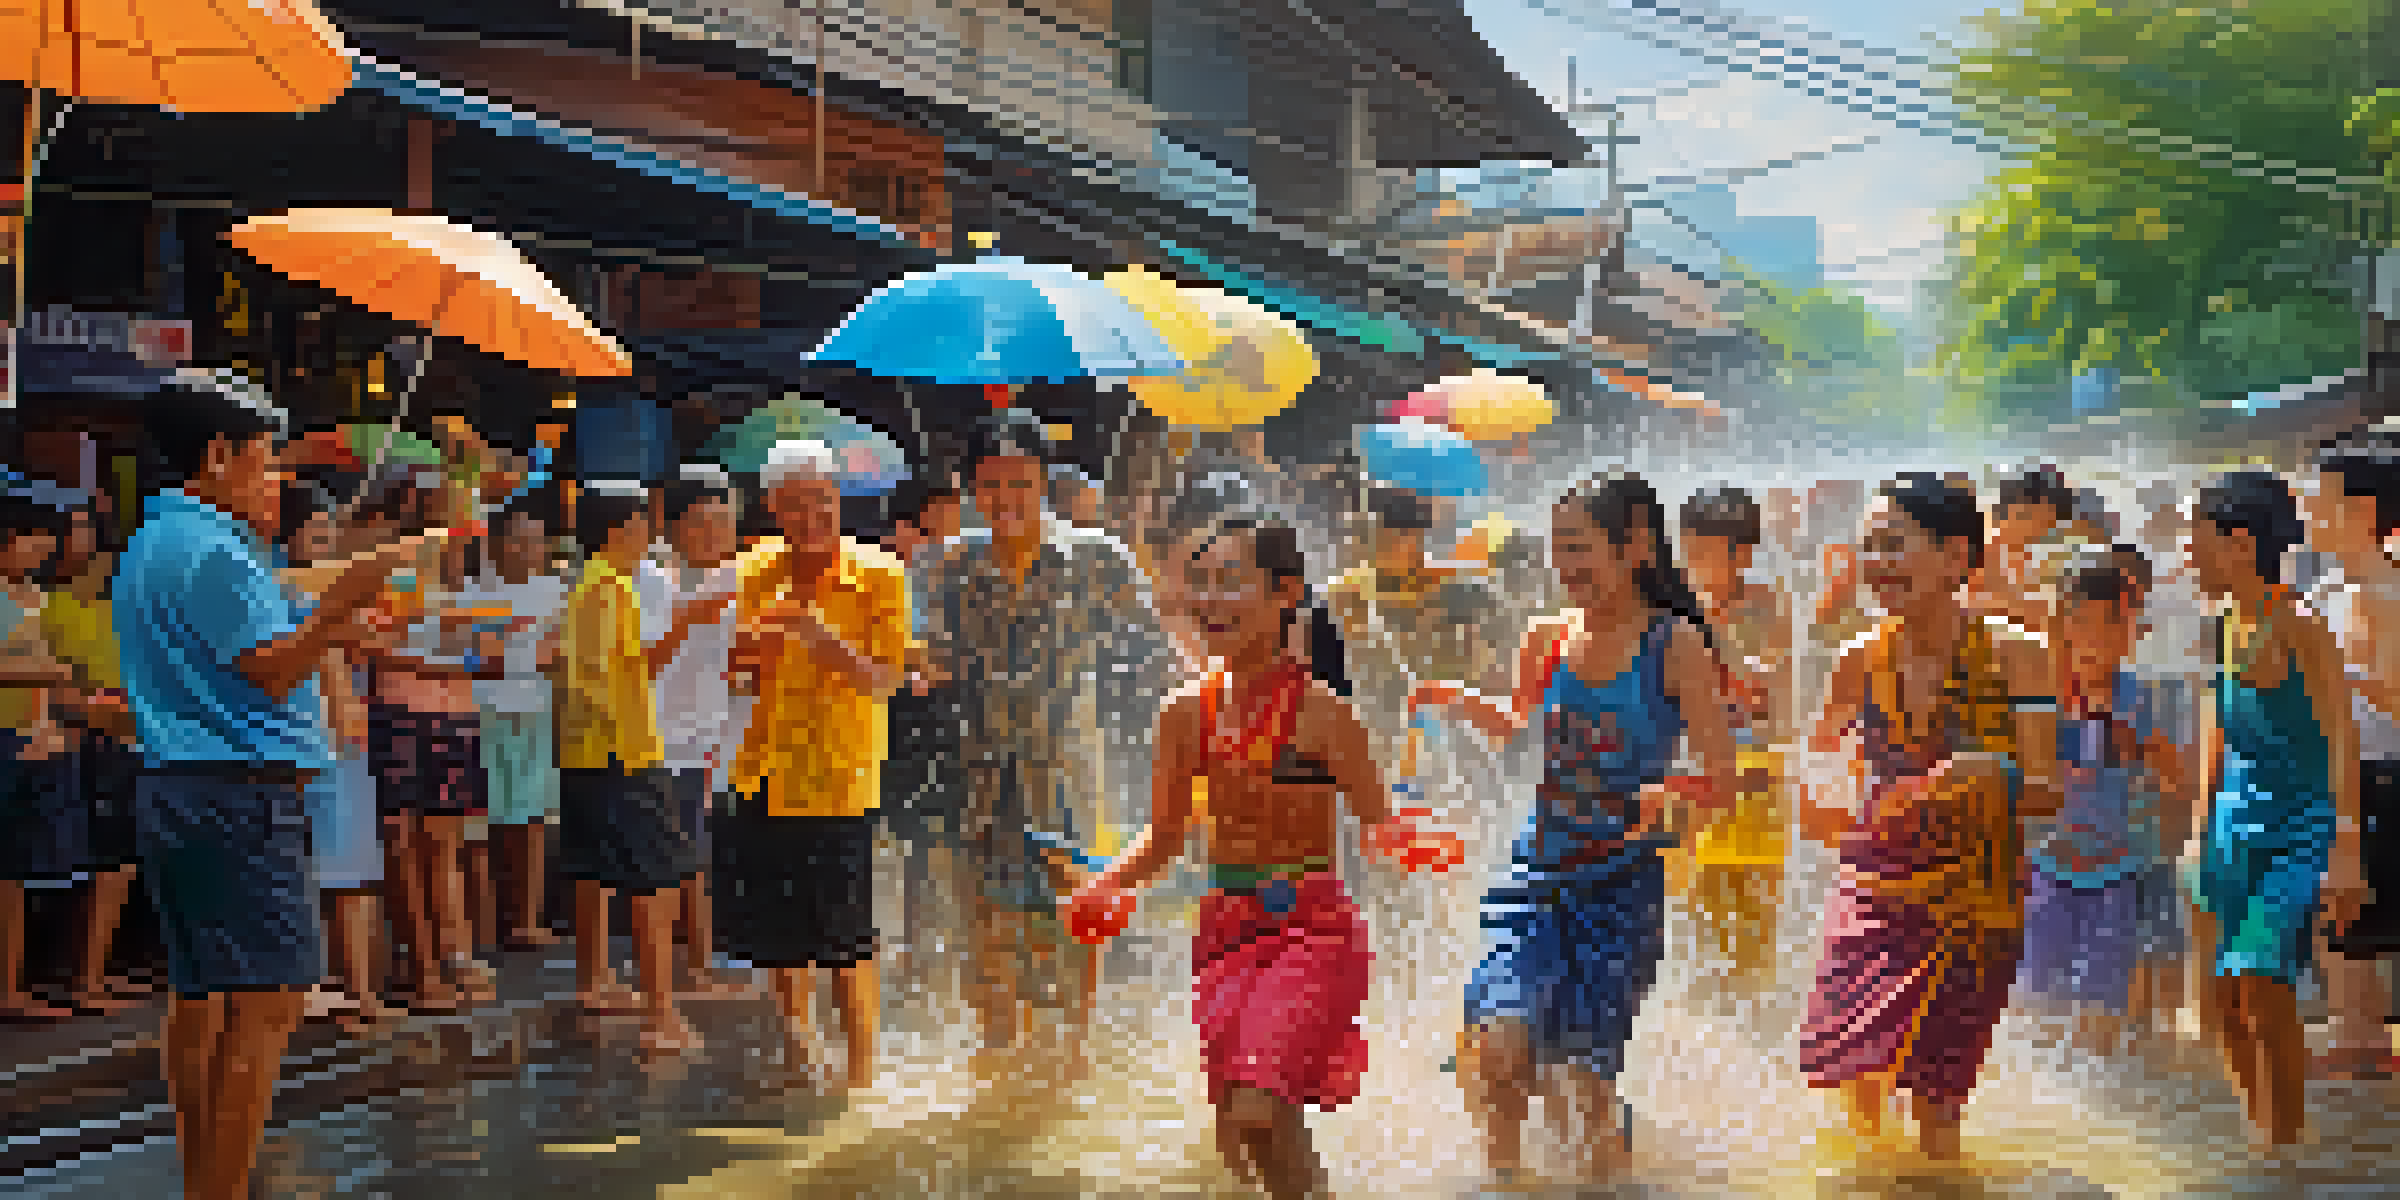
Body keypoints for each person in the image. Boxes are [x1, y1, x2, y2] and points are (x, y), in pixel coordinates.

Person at [1066, 515, 1454, 1200]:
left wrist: (1414, 840)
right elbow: (1163, 836)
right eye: (1201, 585)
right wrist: (1105, 885)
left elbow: (1377, 824)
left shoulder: (1327, 717)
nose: (1211, 601)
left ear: (1284, 593)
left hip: (1313, 930)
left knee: (1258, 1105)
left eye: (1231, 583)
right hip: (1225, 930)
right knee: (1242, 1131)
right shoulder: (1185, 714)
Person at [116, 371, 411, 1200]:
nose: (275, 479)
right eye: (264, 461)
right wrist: (338, 605)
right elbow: (271, 670)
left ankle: (206, 1180)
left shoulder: (156, 542)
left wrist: (329, 614)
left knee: (206, 994)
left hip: (186, 785)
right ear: (216, 457)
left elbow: (244, 658)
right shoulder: (210, 550)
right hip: (235, 793)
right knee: (267, 1001)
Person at [1411, 473, 1737, 1183]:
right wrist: (1455, 698)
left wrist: (1670, 790)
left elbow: (1722, 783)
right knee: (1500, 1050)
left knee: (1584, 1090)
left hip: (1621, 891)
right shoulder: (1548, 637)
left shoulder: (1674, 644)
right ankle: (1502, 1185)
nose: (1566, 566)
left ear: (1636, 547)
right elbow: (1513, 723)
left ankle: (1613, 1178)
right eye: (1559, 548)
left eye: (1581, 547)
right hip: (1539, 874)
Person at [1797, 472, 2059, 1162]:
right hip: (1874, 892)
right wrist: (1816, 798)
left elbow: (2048, 791)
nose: (1878, 565)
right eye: (1870, 548)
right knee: (1856, 1072)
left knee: (1938, 1101)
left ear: (1955, 557)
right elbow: (1821, 765)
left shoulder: (2019, 658)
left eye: (1895, 546)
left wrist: (1990, 772)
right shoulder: (1858, 662)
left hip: (1977, 900)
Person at [923, 410, 1166, 1075]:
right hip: (978, 773)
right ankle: (1002, 1048)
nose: (1006, 500)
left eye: (1020, 484)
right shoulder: (948, 564)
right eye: (992, 485)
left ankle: (1073, 1048)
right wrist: (920, 668)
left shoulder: (1095, 557)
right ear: (972, 487)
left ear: (1043, 484)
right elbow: (927, 652)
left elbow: (1155, 641)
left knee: (1073, 911)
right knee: (985, 916)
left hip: (1066, 768)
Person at [2188, 470, 2368, 1148]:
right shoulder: (2224, 625)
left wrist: (2345, 850)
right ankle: (2259, 1136)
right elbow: (2216, 728)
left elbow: (2341, 738)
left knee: (2260, 979)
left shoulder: (2302, 624)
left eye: (2197, 540)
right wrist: (2198, 835)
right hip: (2230, 829)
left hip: (2299, 828)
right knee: (2221, 1006)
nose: (2190, 556)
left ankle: (2287, 1149)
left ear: (2237, 543)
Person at [720, 440, 908, 1090]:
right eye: (796, 505)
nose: (812, 517)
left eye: (822, 502)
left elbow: (885, 680)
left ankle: (861, 1075)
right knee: (779, 938)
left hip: (840, 780)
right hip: (764, 773)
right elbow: (736, 669)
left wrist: (825, 645)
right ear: (772, 507)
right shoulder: (751, 571)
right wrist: (744, 660)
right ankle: (801, 1054)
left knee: (848, 939)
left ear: (839, 499)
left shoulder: (879, 573)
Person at [2018, 550, 2186, 1059]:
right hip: (2043, 870)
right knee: (2034, 1014)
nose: (2083, 639)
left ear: (2126, 628)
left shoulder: (2149, 698)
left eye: (2098, 624)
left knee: (2100, 1016)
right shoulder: (2036, 696)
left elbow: (2181, 784)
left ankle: (2111, 1096)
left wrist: (2144, 747)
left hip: (2118, 874)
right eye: (2071, 622)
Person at [555, 479, 702, 1054]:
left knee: (619, 876)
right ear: (622, 528)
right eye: (644, 523)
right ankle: (661, 1015)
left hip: (598, 751)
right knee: (656, 883)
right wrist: (627, 747)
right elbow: (593, 677)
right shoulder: (607, 584)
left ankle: (622, 994)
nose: (650, 533)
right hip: (620, 752)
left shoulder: (593, 582)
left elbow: (606, 667)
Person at [354, 477, 492, 1013]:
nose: (461, 527)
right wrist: (449, 661)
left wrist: (475, 655)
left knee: (442, 846)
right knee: (405, 843)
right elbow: (372, 648)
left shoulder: (460, 579)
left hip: (454, 711)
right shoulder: (385, 565)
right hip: (401, 709)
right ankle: (420, 964)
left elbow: (480, 649)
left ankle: (450, 957)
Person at [278, 477, 390, 1029]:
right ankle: (316, 987)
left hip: (342, 737)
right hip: (308, 736)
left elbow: (362, 642)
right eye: (315, 534)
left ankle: (362, 991)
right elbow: (324, 650)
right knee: (314, 868)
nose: (323, 545)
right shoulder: (283, 587)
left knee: (353, 867)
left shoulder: (328, 585)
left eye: (328, 534)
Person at [2305, 432, 2400, 1079]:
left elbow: (2394, 695)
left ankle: (2360, 1037)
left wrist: (2335, 675)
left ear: (2362, 513)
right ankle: (2356, 1035)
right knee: (2338, 917)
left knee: (2352, 910)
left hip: (2375, 775)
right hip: (2342, 772)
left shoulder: (2379, 595)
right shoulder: (2331, 590)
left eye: (2320, 500)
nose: (2308, 511)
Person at [636, 463, 751, 999]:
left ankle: (701, 964)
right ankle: (673, 983)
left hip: (711, 735)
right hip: (661, 737)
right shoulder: (654, 579)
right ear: (674, 525)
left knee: (697, 856)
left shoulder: (734, 577)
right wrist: (687, 618)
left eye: (725, 522)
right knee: (669, 860)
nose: (717, 534)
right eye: (704, 523)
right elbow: (639, 664)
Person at [1677, 485, 1793, 998]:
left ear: (1743, 554)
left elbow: (1775, 687)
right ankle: (1705, 1005)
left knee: (1752, 892)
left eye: (1708, 552)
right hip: (1687, 767)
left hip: (1753, 769)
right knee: (1691, 895)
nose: (1696, 564)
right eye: (1689, 550)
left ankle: (1756, 1000)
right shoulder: (1670, 605)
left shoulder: (1765, 604)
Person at [455, 487, 568, 952]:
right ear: (495, 544)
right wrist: (525, 653)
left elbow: (559, 653)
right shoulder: (473, 591)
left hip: (537, 711)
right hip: (485, 710)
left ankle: (526, 919)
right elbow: (477, 657)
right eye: (519, 540)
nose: (529, 550)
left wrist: (513, 652)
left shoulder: (555, 590)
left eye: (536, 541)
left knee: (534, 819)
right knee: (488, 821)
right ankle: (488, 923)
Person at [47, 495, 143, 1015]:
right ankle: (78, 976)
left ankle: (96, 972)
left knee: (120, 864)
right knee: (85, 864)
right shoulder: (43, 605)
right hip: (77, 741)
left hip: (123, 740)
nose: (75, 542)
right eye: (68, 531)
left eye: (84, 530)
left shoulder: (112, 608)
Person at [876, 479, 967, 983]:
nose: (953, 519)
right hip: (904, 711)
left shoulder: (971, 568)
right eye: (944, 509)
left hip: (955, 711)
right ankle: (913, 944)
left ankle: (956, 941)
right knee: (910, 833)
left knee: (955, 832)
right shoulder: (895, 572)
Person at [0, 490, 78, 1020]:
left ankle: (17, 983)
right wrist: (47, 673)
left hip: (36, 736)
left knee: (21, 869)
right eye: (31, 539)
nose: (42, 550)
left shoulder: (43, 597)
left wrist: (55, 720)